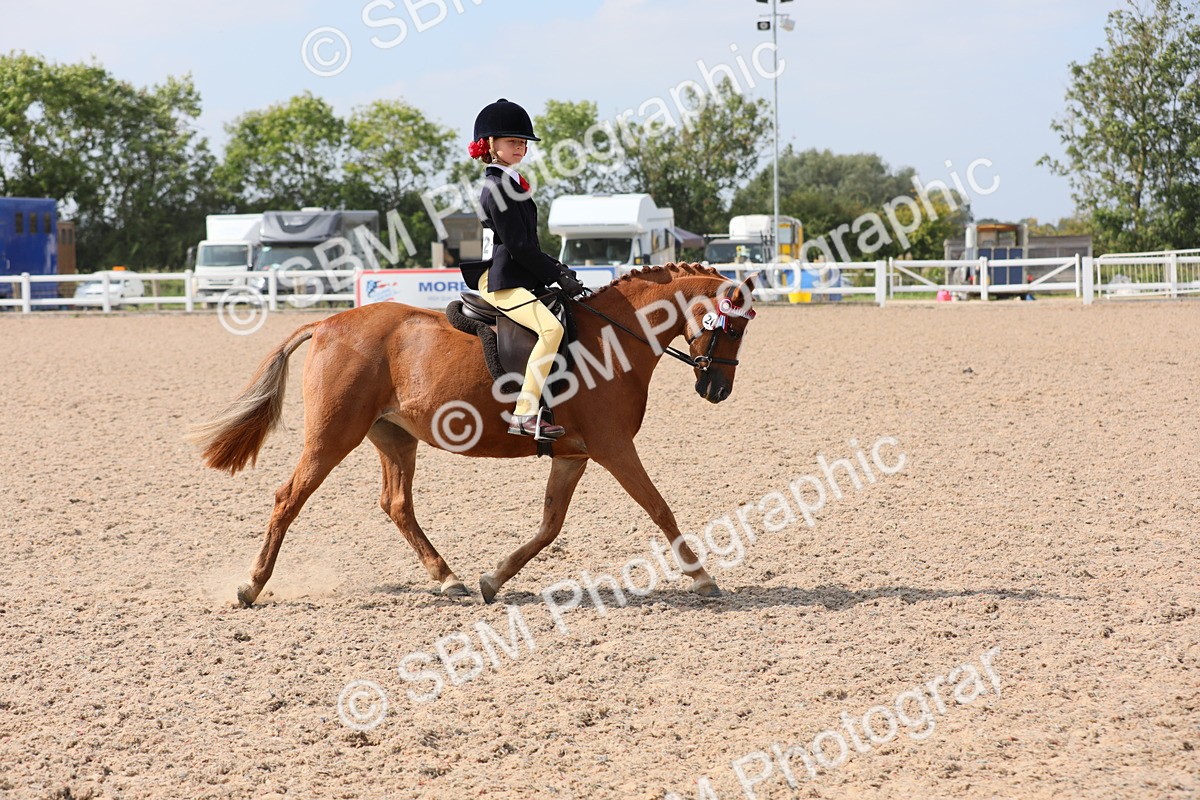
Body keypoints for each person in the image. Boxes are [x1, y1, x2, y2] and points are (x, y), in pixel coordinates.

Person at [458, 98, 587, 440]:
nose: (520, 146)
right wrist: (556, 273)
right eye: (512, 141)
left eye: (523, 142)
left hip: (516, 273)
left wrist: (557, 270)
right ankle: (525, 413)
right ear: (489, 145)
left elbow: (527, 246)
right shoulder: (497, 187)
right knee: (551, 331)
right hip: (502, 281)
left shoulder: (511, 183)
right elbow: (518, 246)